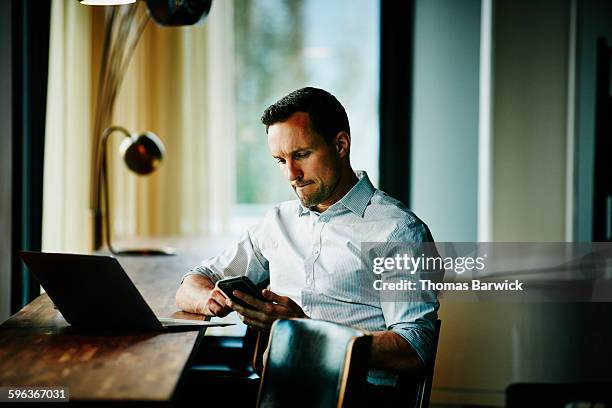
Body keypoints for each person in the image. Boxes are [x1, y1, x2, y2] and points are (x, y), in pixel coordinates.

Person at [176, 87, 439, 401]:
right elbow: (191, 282)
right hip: (275, 388)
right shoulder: (278, 222)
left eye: (301, 155)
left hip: (358, 395)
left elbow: (414, 350)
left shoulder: (399, 232)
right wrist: (210, 299)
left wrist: (303, 329)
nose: (292, 174)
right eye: (280, 160)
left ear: (340, 145)